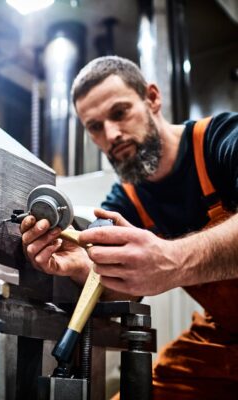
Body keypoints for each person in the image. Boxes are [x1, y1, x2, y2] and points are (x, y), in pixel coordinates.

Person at [21, 56, 238, 399]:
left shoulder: (222, 141)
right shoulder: (126, 200)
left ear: (152, 98)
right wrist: (82, 266)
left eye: (119, 113)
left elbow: (169, 262)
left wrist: (174, 259)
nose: (111, 134)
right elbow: (124, 287)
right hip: (225, 341)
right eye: (94, 127)